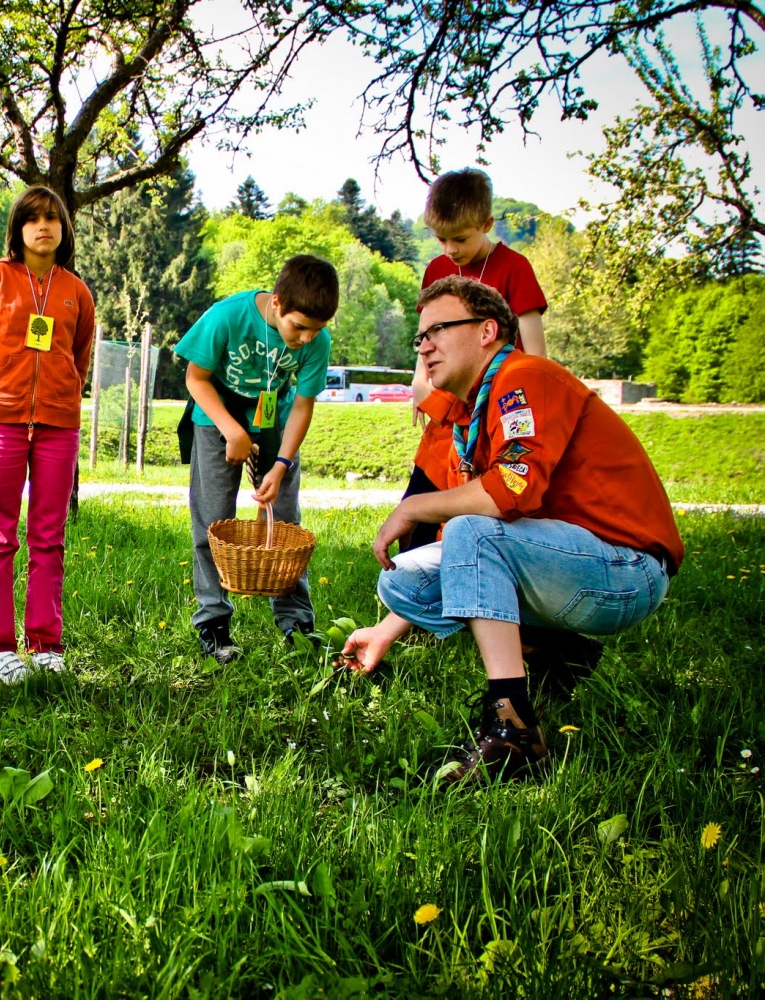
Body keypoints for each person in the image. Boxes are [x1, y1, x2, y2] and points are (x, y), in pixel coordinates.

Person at [342, 277, 684, 783]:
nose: (425, 346)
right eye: (419, 336)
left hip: (626, 570)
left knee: (471, 531)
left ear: (487, 330)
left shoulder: (524, 378)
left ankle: (514, 729)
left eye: (438, 329)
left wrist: (416, 507)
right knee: (401, 581)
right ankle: (556, 651)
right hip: (570, 562)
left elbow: (510, 490)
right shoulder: (470, 408)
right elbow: (476, 551)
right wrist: (386, 632)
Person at [0, 186, 96, 684]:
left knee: (50, 538)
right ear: (18, 228)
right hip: (1, 423)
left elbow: (79, 360)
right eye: (33, 218)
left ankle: (46, 643)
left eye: (53, 218)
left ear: (63, 229)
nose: (44, 226)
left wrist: (61, 397)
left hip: (59, 425)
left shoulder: (76, 290)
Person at [173, 255, 338, 664]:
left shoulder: (317, 340)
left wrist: (281, 464)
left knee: (286, 523)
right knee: (212, 520)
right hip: (216, 422)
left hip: (273, 425)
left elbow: (302, 404)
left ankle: (295, 621)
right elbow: (196, 378)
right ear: (278, 303)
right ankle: (213, 622)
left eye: (314, 331)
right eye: (298, 327)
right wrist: (232, 430)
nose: (304, 339)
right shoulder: (228, 316)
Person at [403, 168, 549, 551]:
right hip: (448, 415)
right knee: (417, 513)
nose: (450, 249)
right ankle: (414, 595)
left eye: (460, 238)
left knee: (477, 514)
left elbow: (535, 354)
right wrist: (421, 385)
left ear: (486, 223)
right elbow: (428, 334)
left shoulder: (514, 268)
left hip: (495, 412)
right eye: (441, 239)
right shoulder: (437, 269)